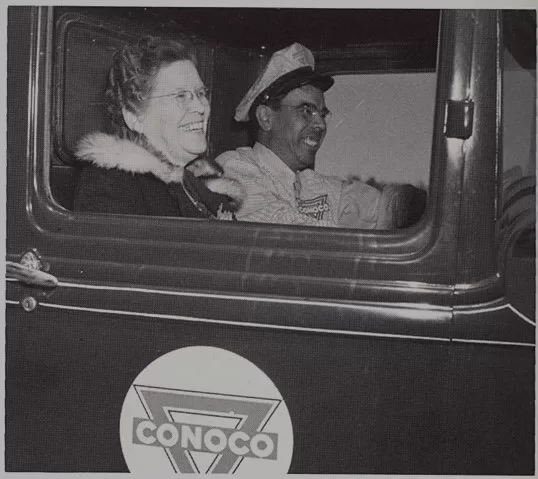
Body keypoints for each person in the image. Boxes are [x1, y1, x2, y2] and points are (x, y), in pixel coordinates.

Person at [215, 43, 422, 228]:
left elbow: (389, 206)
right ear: (266, 118)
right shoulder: (232, 168)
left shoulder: (314, 184)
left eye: (322, 114)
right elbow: (286, 234)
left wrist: (413, 204)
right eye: (306, 111)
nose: (320, 124)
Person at [73, 36, 244, 219]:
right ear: (134, 117)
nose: (201, 107)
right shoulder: (109, 186)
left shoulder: (196, 182)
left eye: (200, 93)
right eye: (181, 96)